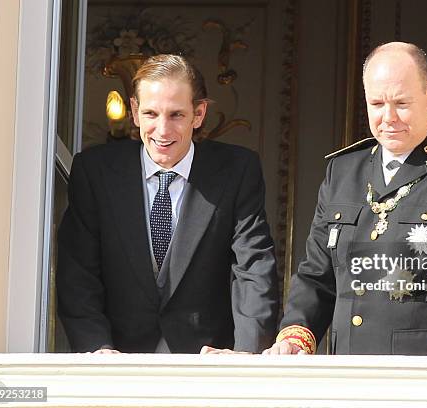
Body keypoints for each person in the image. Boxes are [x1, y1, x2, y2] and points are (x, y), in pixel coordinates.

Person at [263, 42, 427, 357]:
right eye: (377, 103)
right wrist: (296, 336)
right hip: (345, 377)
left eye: (402, 103)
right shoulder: (343, 170)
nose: (388, 117)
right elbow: (317, 276)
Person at [57, 54, 279, 354]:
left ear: (198, 114)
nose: (162, 131)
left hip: (208, 366)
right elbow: (78, 274)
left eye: (176, 115)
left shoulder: (237, 170)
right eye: (150, 113)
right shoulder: (95, 172)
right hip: (116, 365)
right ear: (134, 112)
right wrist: (97, 349)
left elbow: (253, 267)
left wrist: (246, 356)